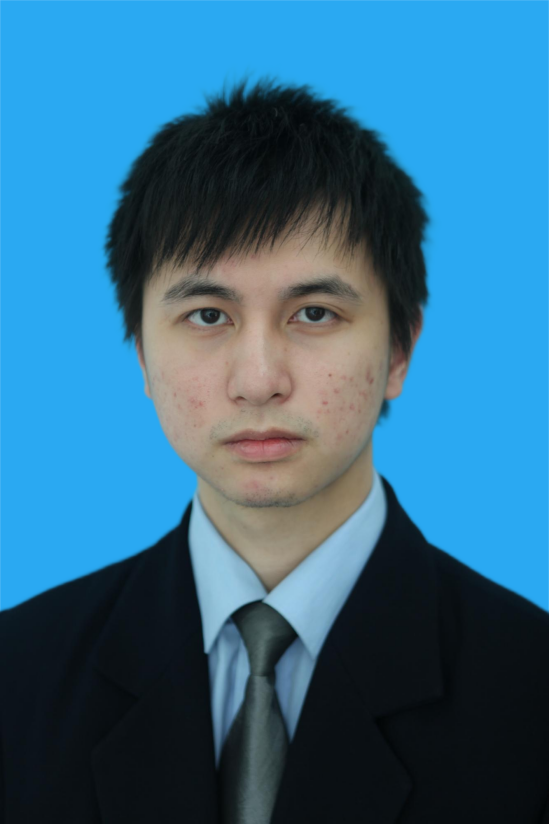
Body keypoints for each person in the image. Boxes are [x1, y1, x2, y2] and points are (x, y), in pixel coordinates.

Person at [0, 75, 547, 824]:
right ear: (142, 356)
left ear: (399, 349)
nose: (258, 380)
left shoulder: (531, 687)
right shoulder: (18, 676)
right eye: (207, 315)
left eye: (314, 313)